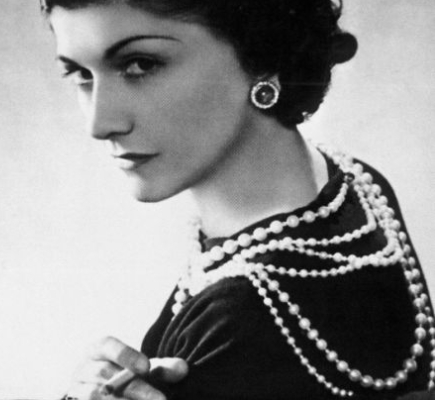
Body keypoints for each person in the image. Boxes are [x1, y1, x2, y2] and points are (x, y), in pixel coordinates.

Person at [40, 0, 435, 399]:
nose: (99, 123)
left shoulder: (238, 322)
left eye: (140, 65)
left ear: (261, 54)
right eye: (80, 74)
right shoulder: (358, 184)